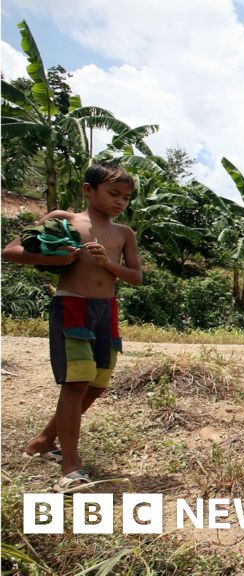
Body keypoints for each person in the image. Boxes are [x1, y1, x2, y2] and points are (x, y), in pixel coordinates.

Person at [1, 161, 142, 493]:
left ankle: (43, 440)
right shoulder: (63, 220)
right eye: (113, 193)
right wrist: (60, 260)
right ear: (88, 190)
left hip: (106, 309)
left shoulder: (124, 233)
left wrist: (109, 264)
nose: (120, 201)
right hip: (72, 306)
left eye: (126, 197)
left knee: (97, 384)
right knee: (76, 383)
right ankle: (70, 468)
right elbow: (10, 251)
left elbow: (136, 277)